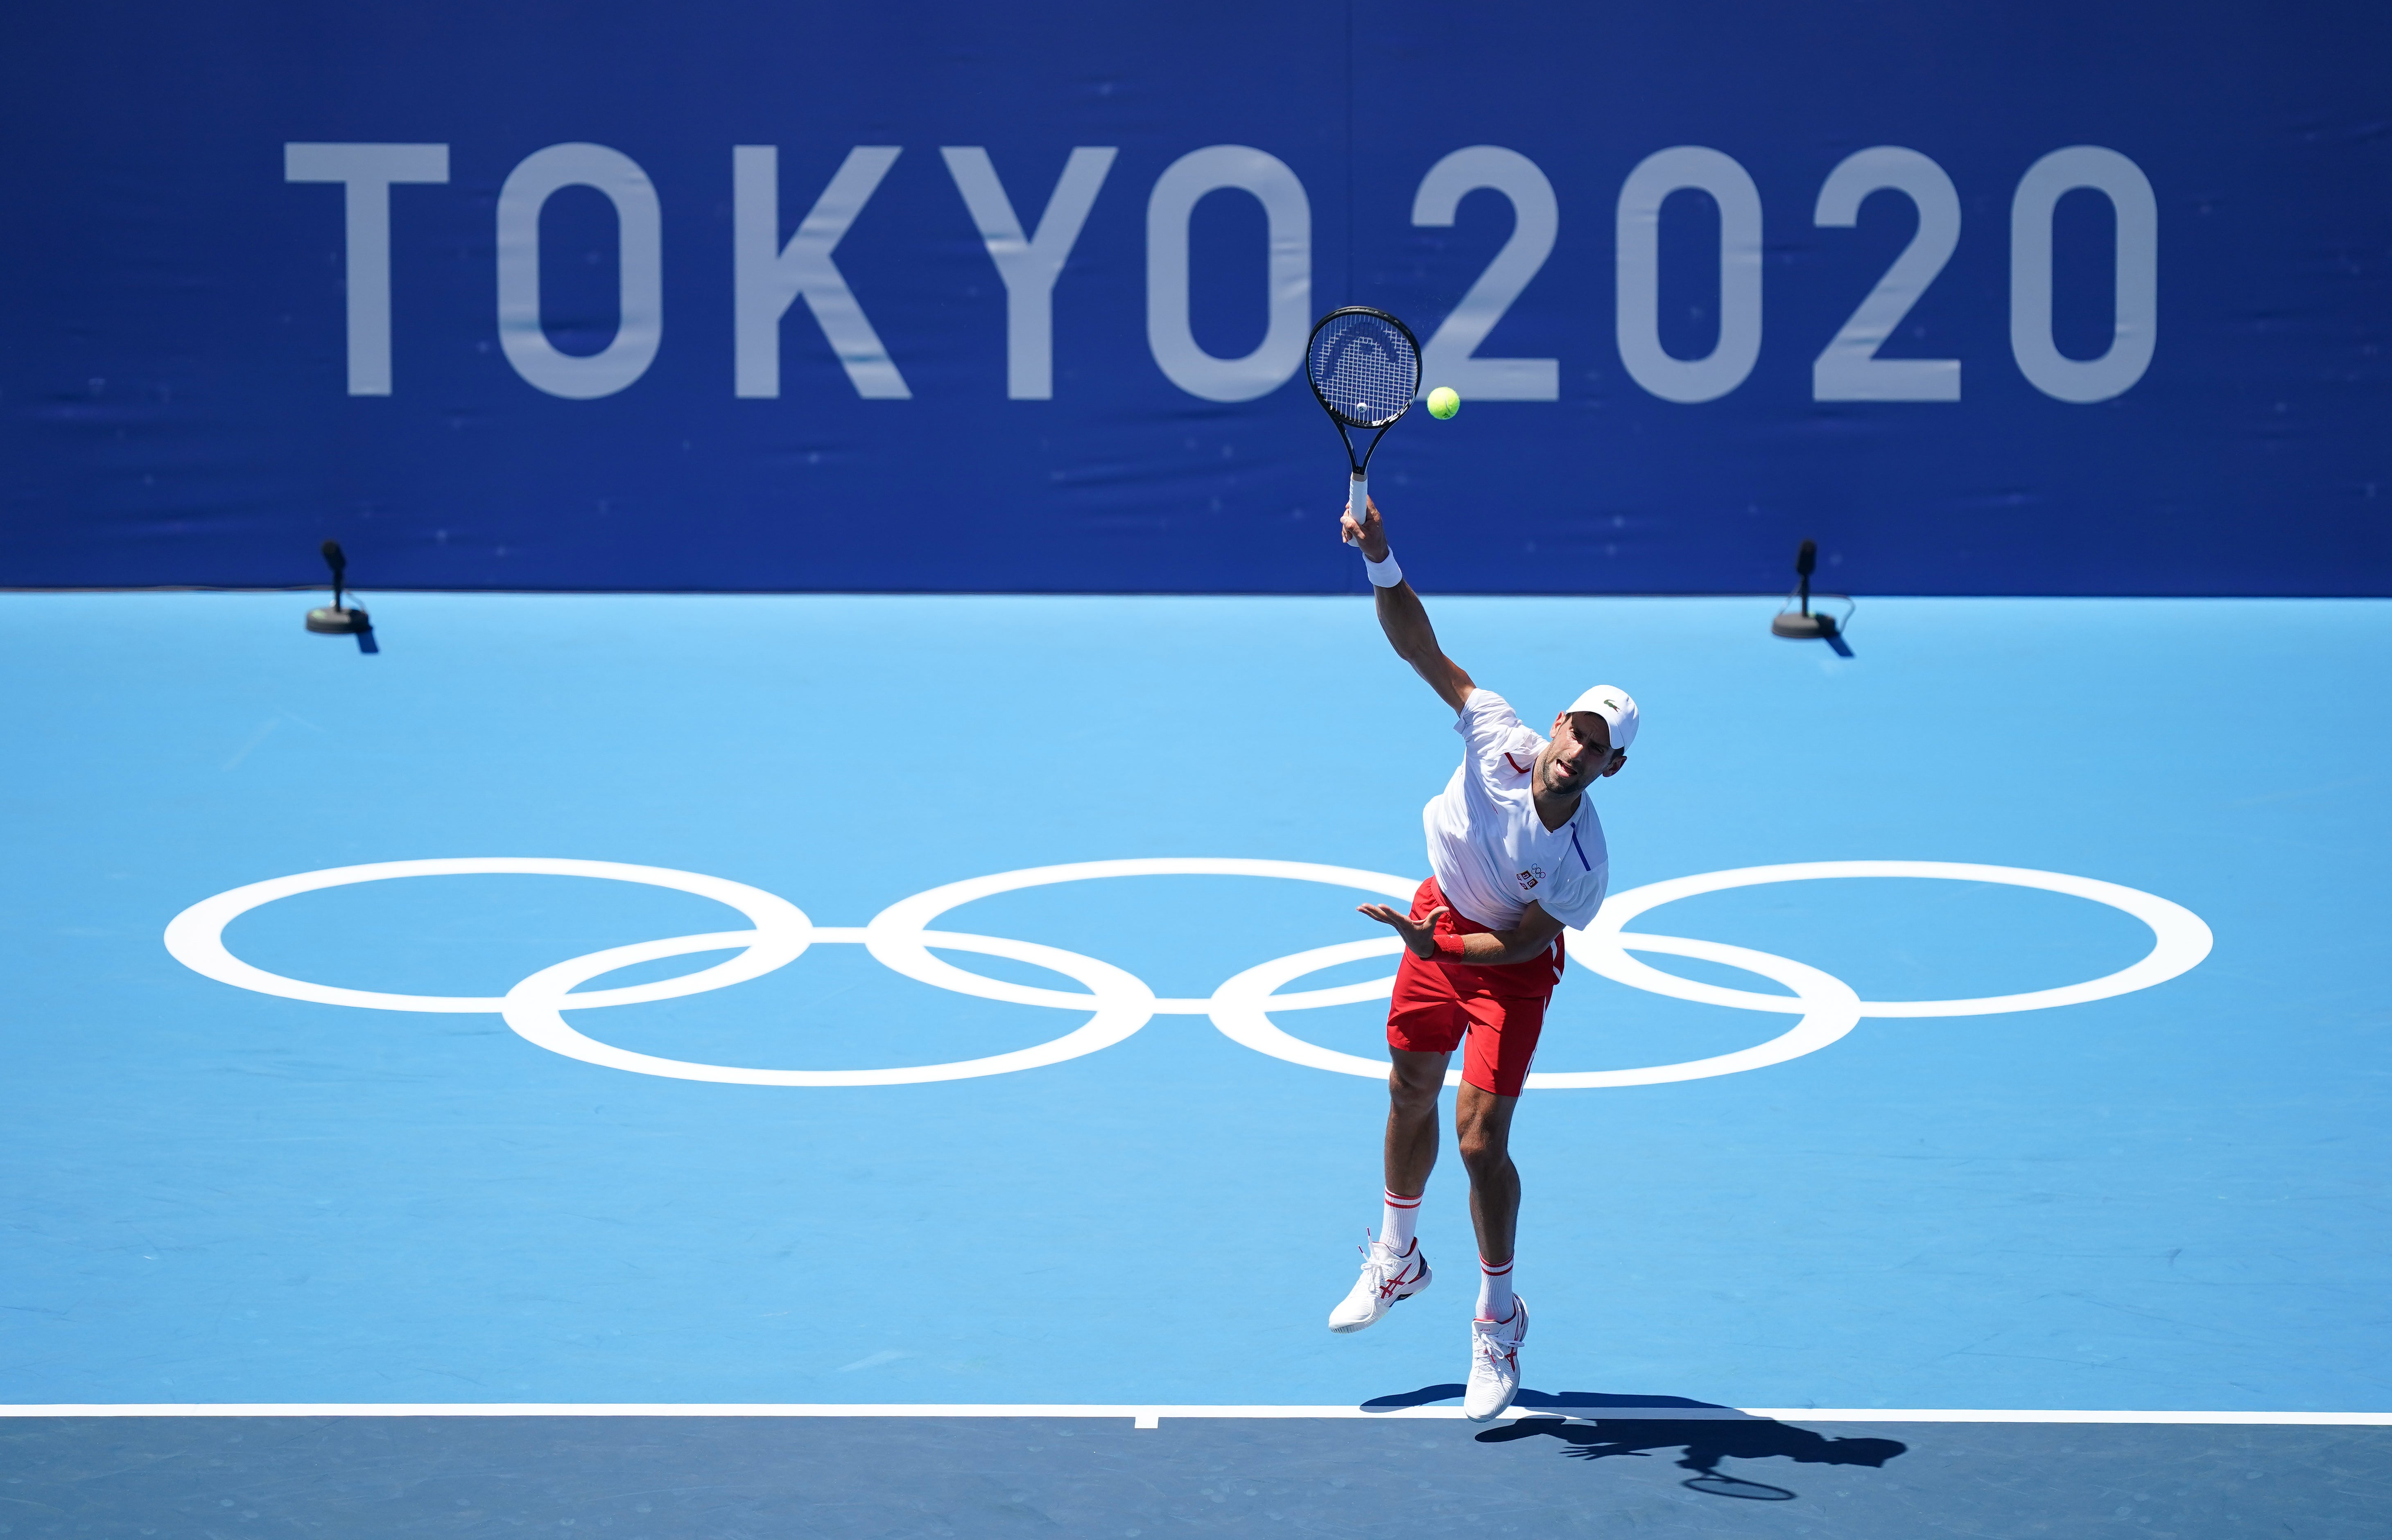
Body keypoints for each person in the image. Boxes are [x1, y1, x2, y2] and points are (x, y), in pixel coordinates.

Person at [1325, 496, 1638, 1422]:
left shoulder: (1584, 864)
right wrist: (1382, 560)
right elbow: (1419, 646)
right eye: (1576, 728)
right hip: (1438, 919)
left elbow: (1528, 942)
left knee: (1478, 1141)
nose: (1577, 749)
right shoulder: (1496, 731)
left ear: (1610, 770)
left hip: (1501, 964)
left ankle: (1498, 1320)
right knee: (1406, 1090)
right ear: (1558, 723)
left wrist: (1443, 947)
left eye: (1597, 748)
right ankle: (1396, 1257)